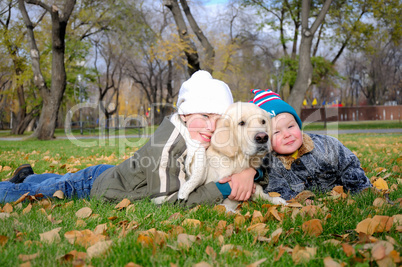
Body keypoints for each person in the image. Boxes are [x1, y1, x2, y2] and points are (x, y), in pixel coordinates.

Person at [0, 71, 256, 206]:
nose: (212, 126)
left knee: (63, 178)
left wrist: (249, 173)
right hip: (99, 186)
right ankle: (20, 184)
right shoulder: (167, 146)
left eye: (218, 118)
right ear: (185, 114)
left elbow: (245, 153)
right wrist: (222, 189)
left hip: (113, 174)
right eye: (204, 115)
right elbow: (166, 201)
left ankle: (29, 175)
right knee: (39, 192)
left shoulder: (202, 135)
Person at [249, 89, 372, 200]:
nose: (287, 134)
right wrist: (299, 200)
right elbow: (277, 190)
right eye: (276, 132)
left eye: (291, 126)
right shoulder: (270, 165)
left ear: (298, 125)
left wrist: (359, 188)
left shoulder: (326, 145)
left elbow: (349, 164)